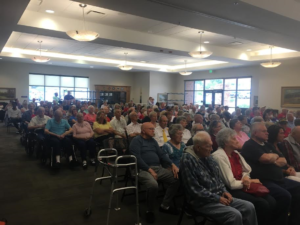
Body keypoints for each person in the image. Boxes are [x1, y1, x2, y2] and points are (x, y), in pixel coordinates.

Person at [180, 131, 258, 225]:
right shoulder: (187, 160)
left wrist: (225, 191)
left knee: (249, 206)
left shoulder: (207, 156)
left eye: (211, 145)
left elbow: (218, 179)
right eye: (208, 146)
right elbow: (195, 190)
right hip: (202, 202)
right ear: (198, 147)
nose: (211, 149)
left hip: (218, 195)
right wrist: (217, 198)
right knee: (234, 215)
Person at [212, 128, 276, 225]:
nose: (237, 140)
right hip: (229, 191)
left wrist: (246, 177)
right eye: (234, 139)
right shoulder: (219, 157)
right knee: (262, 204)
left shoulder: (235, 153)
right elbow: (231, 184)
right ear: (226, 142)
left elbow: (247, 170)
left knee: (271, 200)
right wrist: (250, 181)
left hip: (243, 184)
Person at [241, 122, 300, 225]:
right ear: (255, 133)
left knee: (298, 188)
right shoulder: (249, 145)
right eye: (264, 131)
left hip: (279, 178)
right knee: (284, 196)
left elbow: (284, 160)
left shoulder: (267, 144)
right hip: (264, 180)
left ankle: (294, 221)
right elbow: (265, 158)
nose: (267, 133)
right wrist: (272, 158)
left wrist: (272, 159)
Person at [130, 122, 180, 223]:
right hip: (142, 169)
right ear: (143, 131)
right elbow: (137, 158)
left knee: (176, 179)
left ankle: (165, 205)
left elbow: (161, 154)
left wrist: (171, 164)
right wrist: (149, 170)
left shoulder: (153, 141)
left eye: (153, 129)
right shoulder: (136, 141)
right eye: (151, 129)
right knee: (153, 185)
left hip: (157, 168)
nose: (153, 131)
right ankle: (149, 210)